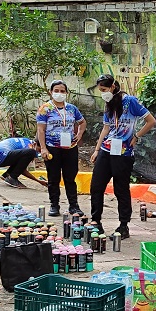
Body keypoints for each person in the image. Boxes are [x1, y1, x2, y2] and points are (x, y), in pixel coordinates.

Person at [89, 74, 156, 238]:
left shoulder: (130, 101)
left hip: (124, 153)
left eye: (104, 89)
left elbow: (151, 121)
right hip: (106, 149)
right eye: (100, 91)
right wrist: (97, 150)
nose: (102, 93)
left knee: (121, 189)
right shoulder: (108, 103)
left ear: (112, 86)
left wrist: (137, 136)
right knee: (96, 186)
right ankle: (96, 221)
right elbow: (106, 128)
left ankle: (123, 226)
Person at [36, 79, 87, 216]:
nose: (59, 93)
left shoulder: (72, 108)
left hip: (70, 148)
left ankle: (74, 206)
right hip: (52, 148)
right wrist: (43, 148)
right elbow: (41, 130)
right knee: (53, 178)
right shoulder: (45, 109)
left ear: (66, 93)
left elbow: (82, 122)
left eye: (62, 91)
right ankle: (54, 205)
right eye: (56, 91)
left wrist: (80, 133)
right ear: (51, 92)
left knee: (70, 177)